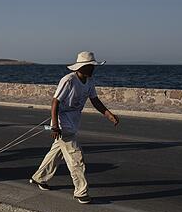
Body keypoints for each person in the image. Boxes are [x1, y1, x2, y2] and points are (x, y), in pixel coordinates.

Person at [30, 51, 119, 204]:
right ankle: (81, 191)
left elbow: (95, 100)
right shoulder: (68, 80)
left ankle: (39, 177)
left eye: (93, 66)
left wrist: (108, 114)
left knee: (56, 153)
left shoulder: (90, 81)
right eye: (90, 66)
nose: (93, 69)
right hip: (63, 122)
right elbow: (55, 102)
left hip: (73, 121)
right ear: (82, 67)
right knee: (76, 158)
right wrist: (55, 126)